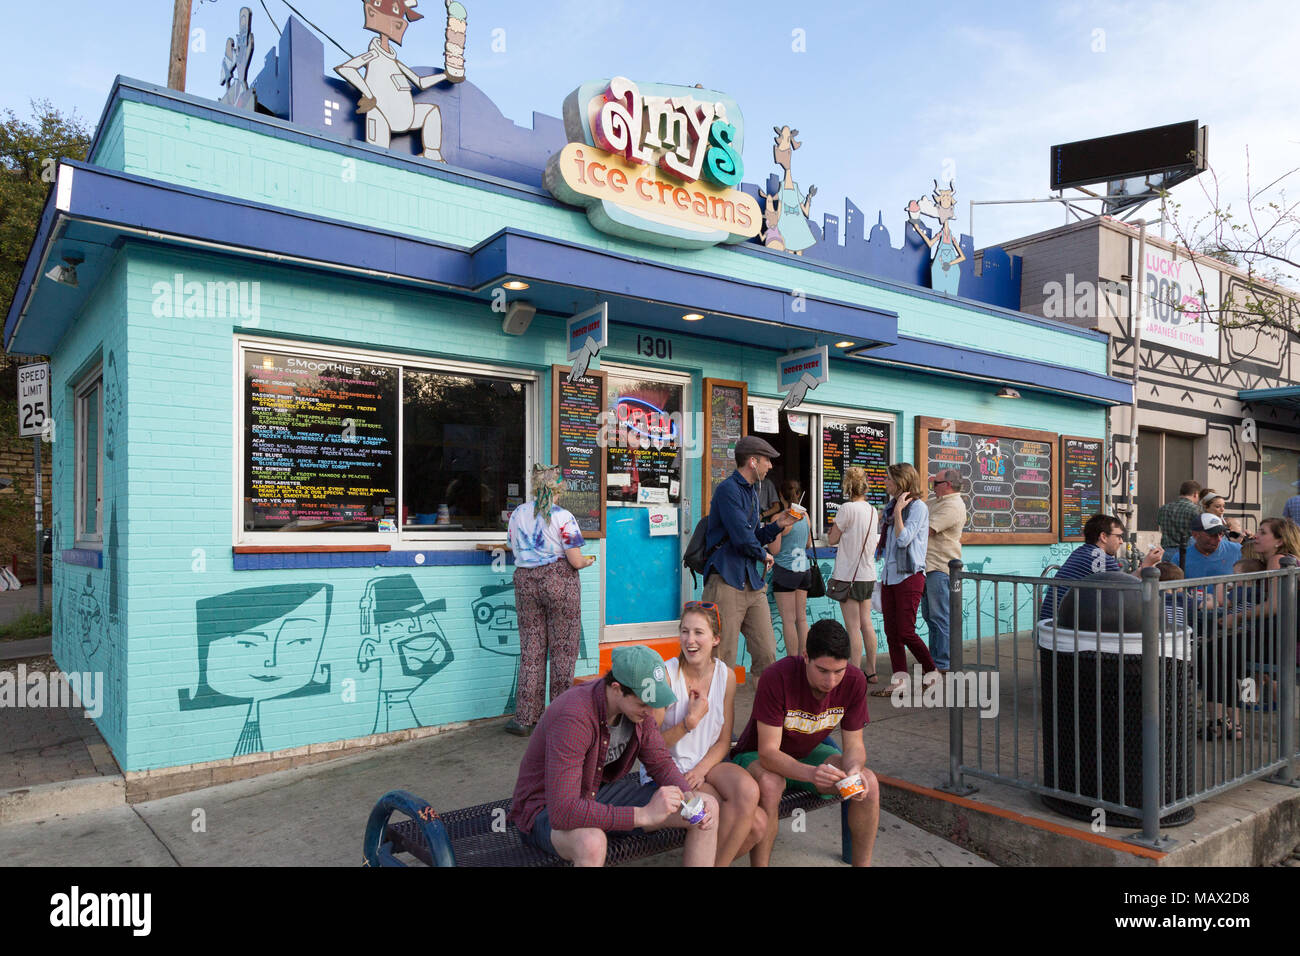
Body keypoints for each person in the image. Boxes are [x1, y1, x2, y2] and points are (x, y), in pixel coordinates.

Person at [508, 644, 720, 866]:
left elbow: (660, 763)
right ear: (617, 688)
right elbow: (563, 811)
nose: (650, 712)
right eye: (643, 703)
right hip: (545, 809)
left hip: (597, 793)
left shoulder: (638, 711)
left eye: (654, 703)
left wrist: (689, 798)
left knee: (707, 806)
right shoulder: (573, 716)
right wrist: (643, 815)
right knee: (592, 842)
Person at [730, 618, 880, 867]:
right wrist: (812, 774)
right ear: (805, 656)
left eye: (838, 671)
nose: (831, 681)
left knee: (869, 784)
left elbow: (854, 746)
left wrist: (853, 770)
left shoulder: (854, 681)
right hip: (757, 756)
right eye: (822, 670)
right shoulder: (776, 676)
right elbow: (768, 753)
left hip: (809, 754)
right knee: (770, 783)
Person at [642, 602, 764, 866]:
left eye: (699, 632)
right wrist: (689, 722)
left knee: (748, 790)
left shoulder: (726, 676)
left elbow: (723, 741)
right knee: (756, 823)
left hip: (706, 764)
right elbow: (650, 748)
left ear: (716, 639)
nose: (690, 640)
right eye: (684, 631)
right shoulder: (666, 675)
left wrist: (701, 769)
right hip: (668, 770)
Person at [504, 464, 595, 736]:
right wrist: (589, 561)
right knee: (563, 652)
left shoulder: (518, 513)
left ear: (535, 488)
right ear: (558, 491)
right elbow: (575, 560)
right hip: (559, 581)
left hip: (525, 581)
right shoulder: (563, 517)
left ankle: (524, 719)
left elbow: (511, 545)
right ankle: (559, 719)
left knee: (531, 650)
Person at [702, 435, 797, 677]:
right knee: (722, 660)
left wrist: (779, 525)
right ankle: (717, 715)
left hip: (752, 583)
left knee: (767, 655)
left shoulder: (753, 492)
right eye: (767, 460)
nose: (771, 466)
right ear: (753, 462)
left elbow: (754, 535)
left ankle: (765, 715)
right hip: (725, 580)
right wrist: (762, 554)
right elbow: (742, 538)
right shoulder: (727, 490)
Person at [872, 463, 937, 697]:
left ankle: (932, 672)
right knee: (891, 633)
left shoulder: (918, 507)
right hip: (890, 577)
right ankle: (900, 681)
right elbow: (887, 544)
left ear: (901, 481)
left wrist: (898, 511)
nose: (885, 483)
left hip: (910, 576)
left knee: (906, 631)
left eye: (889, 479)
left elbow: (903, 540)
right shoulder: (890, 508)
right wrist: (894, 510)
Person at [1039, 514, 1163, 620]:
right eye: (1119, 536)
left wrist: (1146, 565)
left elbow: (1122, 581)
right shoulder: (1100, 558)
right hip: (1063, 631)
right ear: (1103, 537)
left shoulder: (1083, 551)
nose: (1121, 541)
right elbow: (1127, 589)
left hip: (1049, 628)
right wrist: (1147, 565)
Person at [825, 467, 880, 679]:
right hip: (867, 574)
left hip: (848, 575)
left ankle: (854, 674)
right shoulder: (873, 510)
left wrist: (833, 531)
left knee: (853, 627)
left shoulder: (846, 509)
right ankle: (871, 671)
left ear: (847, 486)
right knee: (866, 623)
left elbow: (832, 539)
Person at [923, 467, 966, 672]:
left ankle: (944, 662)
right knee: (930, 616)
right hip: (928, 567)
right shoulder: (937, 502)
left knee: (940, 617)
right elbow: (916, 510)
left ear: (947, 485)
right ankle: (935, 659)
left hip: (940, 567)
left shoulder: (953, 506)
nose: (932, 487)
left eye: (936, 483)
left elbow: (925, 530)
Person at [767, 479, 815, 658]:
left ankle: (792, 661)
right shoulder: (806, 516)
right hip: (804, 570)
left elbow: (775, 550)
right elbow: (808, 544)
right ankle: (805, 659)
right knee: (801, 618)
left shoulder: (779, 518)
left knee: (788, 620)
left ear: (781, 495)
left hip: (786, 571)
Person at [1155, 480, 1202, 568]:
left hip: (1167, 553)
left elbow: (1160, 525)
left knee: (1169, 579)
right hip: (1187, 553)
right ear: (1195, 494)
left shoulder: (1163, 509)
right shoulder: (1196, 510)